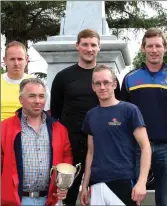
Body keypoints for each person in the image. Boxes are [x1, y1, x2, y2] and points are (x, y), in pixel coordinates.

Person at [50, 29, 121, 205]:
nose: (89, 49)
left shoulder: (107, 78)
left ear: (99, 48)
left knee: (101, 195)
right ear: (77, 46)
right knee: (67, 196)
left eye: (93, 45)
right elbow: (56, 112)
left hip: (101, 146)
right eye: (85, 44)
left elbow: (117, 109)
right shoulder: (63, 77)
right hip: (71, 145)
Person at [120, 28, 167, 206]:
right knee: (132, 199)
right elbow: (122, 115)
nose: (154, 50)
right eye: (150, 46)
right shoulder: (130, 79)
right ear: (143, 48)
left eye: (158, 45)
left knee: (165, 201)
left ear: (165, 48)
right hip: (136, 148)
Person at [80, 64, 151, 206]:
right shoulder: (91, 115)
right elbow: (90, 152)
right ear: (93, 87)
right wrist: (85, 185)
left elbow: (145, 147)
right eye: (98, 83)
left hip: (123, 182)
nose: (102, 87)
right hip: (96, 183)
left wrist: (142, 182)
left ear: (114, 84)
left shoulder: (129, 110)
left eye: (106, 82)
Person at [1, 78, 73, 206]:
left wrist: (64, 185)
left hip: (50, 199)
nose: (38, 101)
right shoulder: (4, 128)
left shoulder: (59, 129)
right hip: (17, 200)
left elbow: (66, 157)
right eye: (32, 96)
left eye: (41, 96)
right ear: (21, 100)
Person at [1, 41, 50, 121]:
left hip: (26, 130)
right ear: (5, 60)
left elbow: (46, 113)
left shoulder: (38, 85)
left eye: (20, 59)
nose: (16, 63)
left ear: (26, 60)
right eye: (12, 59)